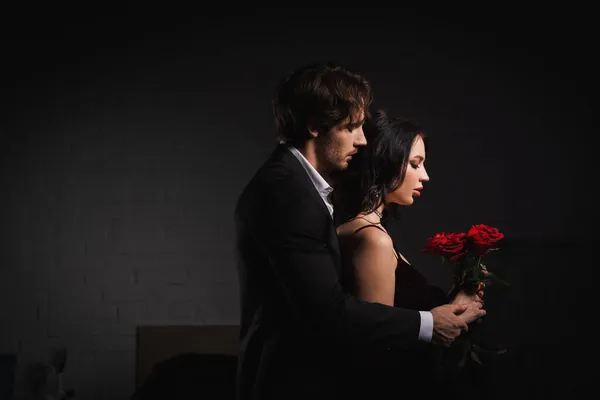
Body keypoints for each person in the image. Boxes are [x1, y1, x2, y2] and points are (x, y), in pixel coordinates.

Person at [233, 62, 485, 400]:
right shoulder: (286, 193)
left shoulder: (301, 188)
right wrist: (430, 324)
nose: (363, 140)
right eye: (352, 127)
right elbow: (328, 313)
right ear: (314, 126)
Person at [333, 109, 486, 397]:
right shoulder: (371, 239)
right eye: (415, 164)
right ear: (385, 163)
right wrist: (449, 322)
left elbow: (399, 318)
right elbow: (376, 344)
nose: (425, 176)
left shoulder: (365, 230)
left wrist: (458, 301)